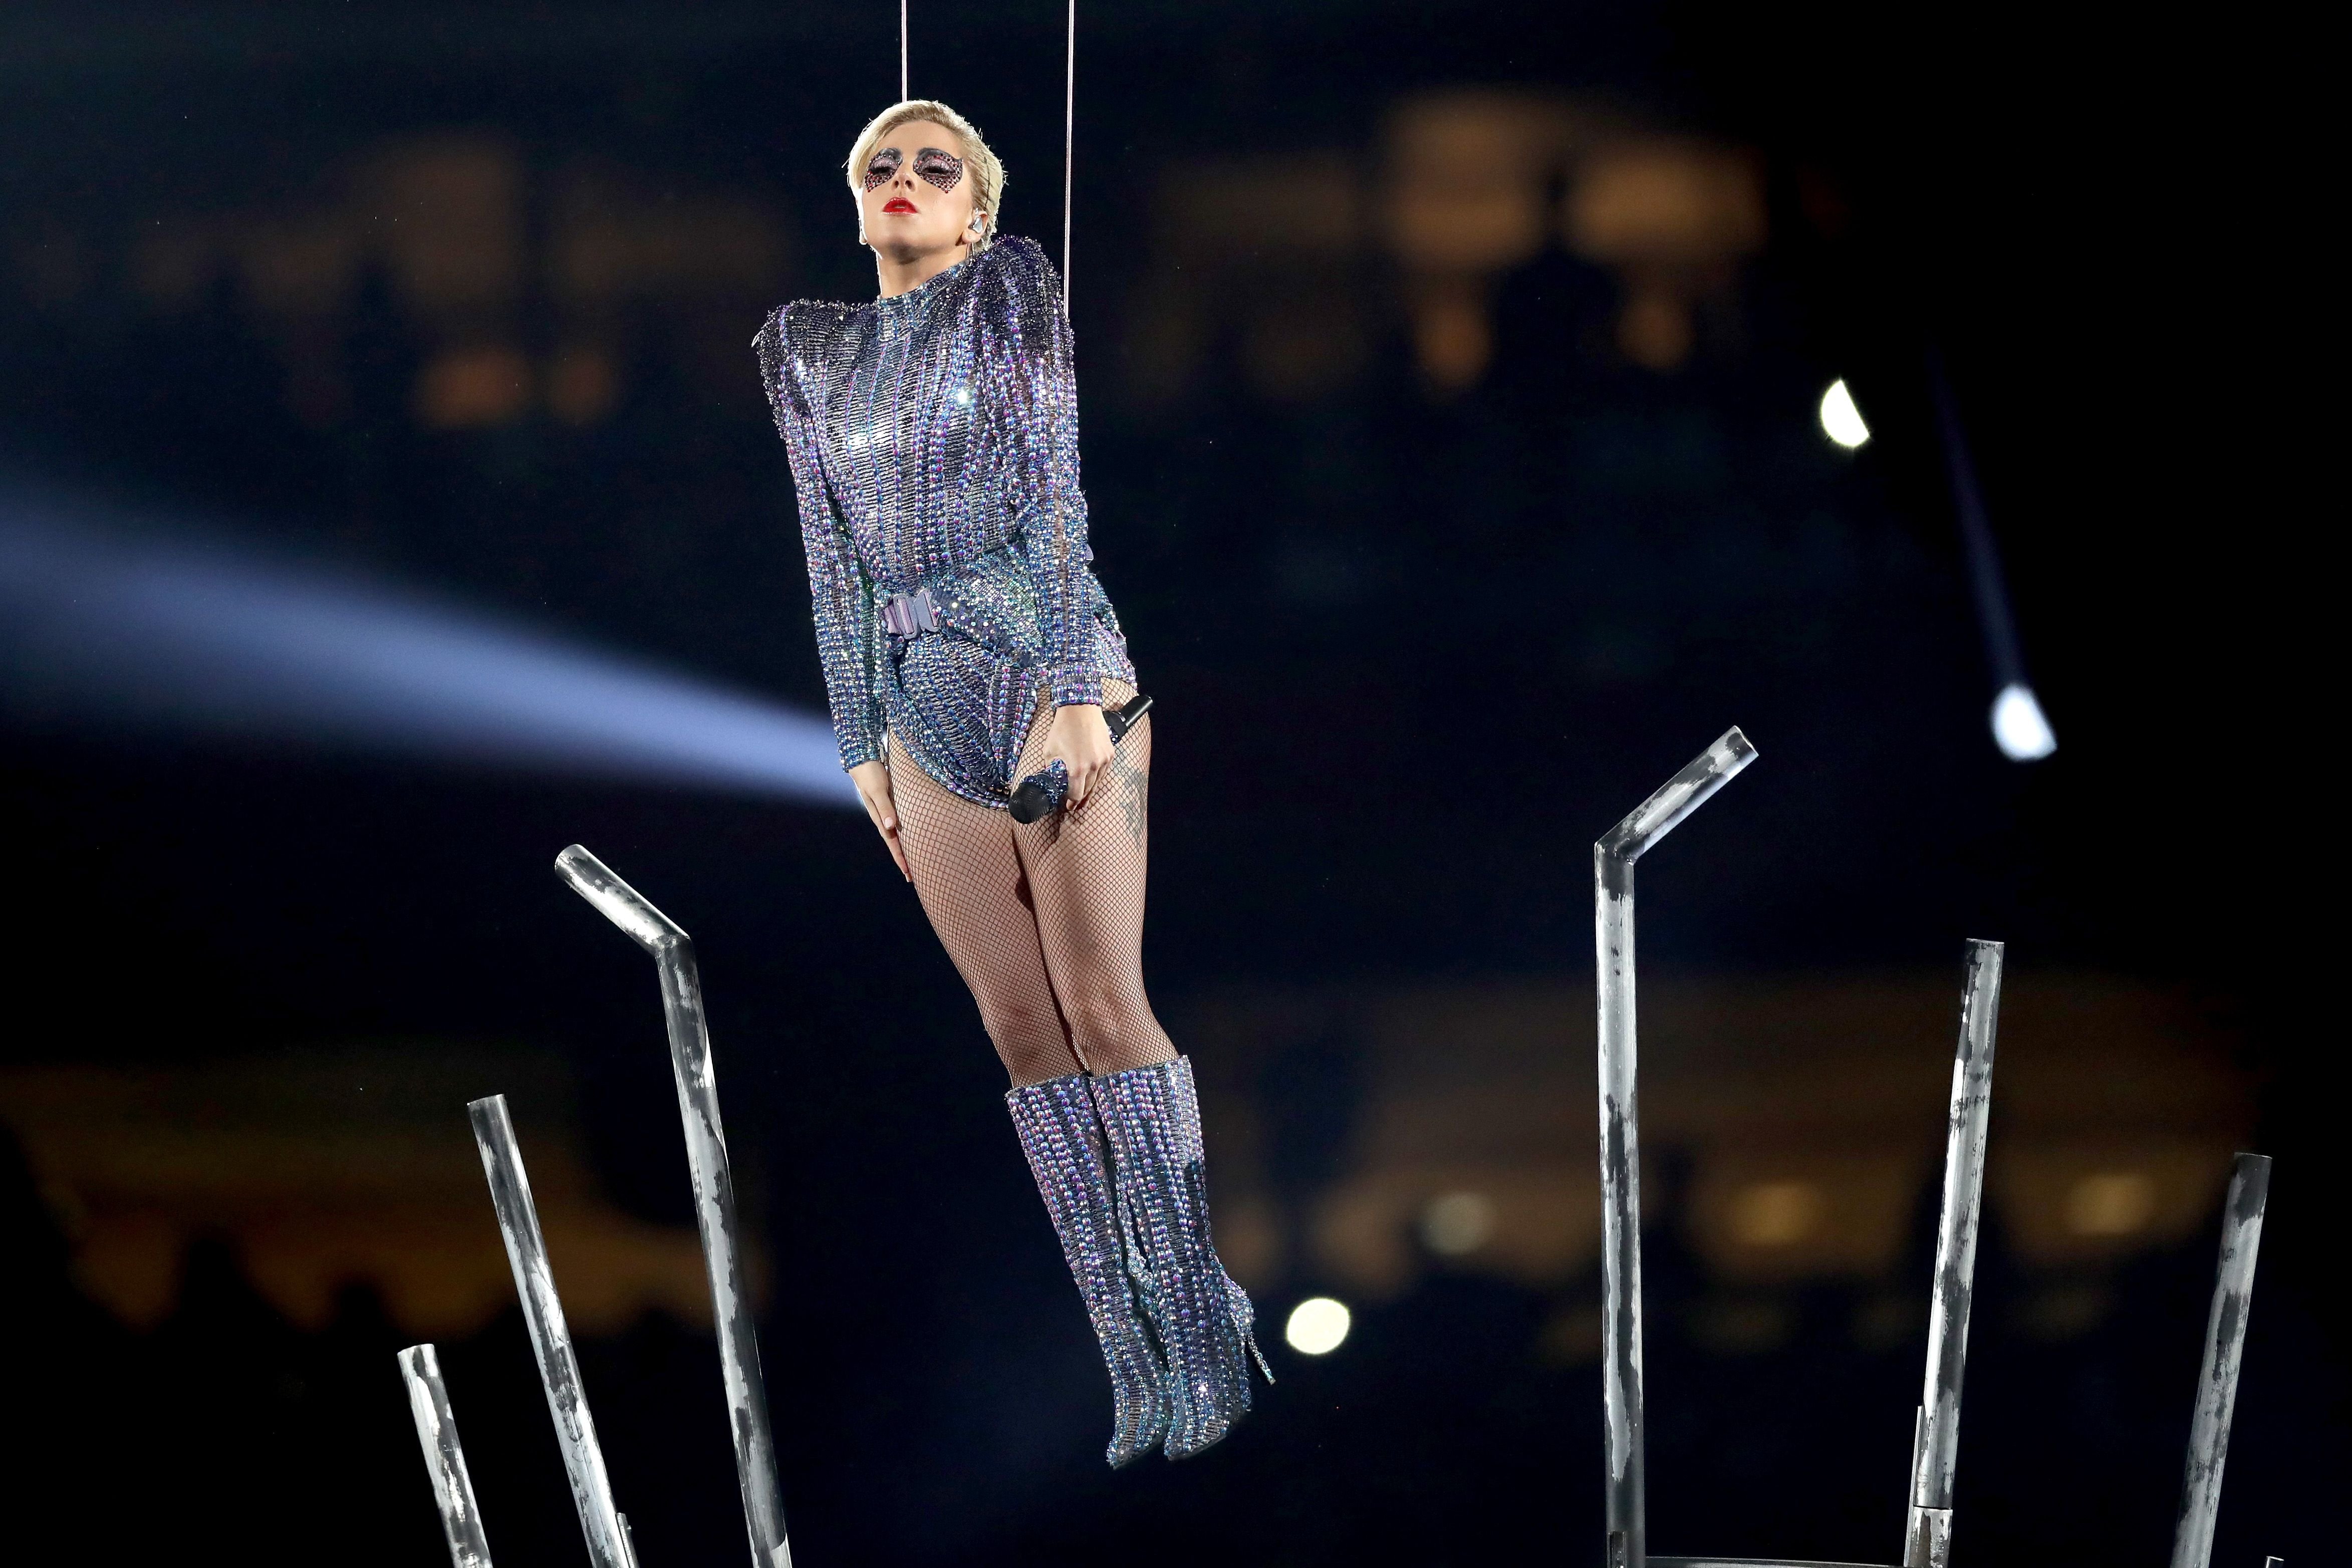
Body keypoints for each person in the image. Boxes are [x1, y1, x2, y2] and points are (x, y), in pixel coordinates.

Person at [754, 99, 1266, 1465]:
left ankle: (1203, 1325)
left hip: (1050, 671)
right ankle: (1130, 1357)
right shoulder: (809, 351)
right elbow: (830, 558)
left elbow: (1055, 485)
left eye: (938, 168)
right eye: (883, 167)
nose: (908, 182)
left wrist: (1076, 691)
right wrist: (858, 744)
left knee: (1103, 1004)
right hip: (921, 707)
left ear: (976, 206)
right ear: (856, 201)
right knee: (1023, 1033)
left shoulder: (1009, 291)